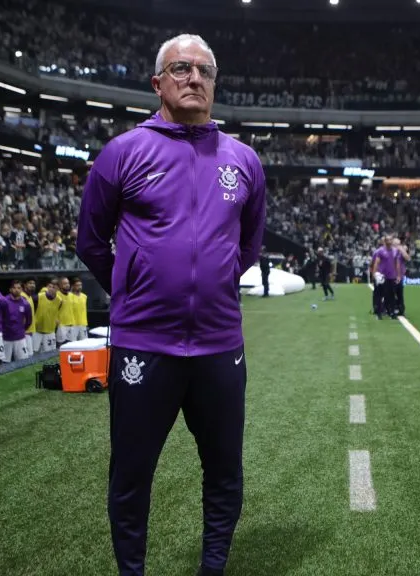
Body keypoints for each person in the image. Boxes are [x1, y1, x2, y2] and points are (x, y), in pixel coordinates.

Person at [76, 33, 266, 576]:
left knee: (225, 470)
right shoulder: (123, 152)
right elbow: (91, 241)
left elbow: (249, 246)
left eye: (205, 70)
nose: (194, 78)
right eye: (181, 68)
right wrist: (133, 291)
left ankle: (213, 568)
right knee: (131, 474)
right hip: (143, 346)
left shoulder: (245, 161)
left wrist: (215, 284)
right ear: (158, 82)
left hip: (219, 346)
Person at [0, 280, 33, 363]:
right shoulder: (4, 302)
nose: (16, 290)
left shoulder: (25, 304)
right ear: (10, 289)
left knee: (22, 362)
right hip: (6, 338)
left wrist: (21, 329)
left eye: (19, 288)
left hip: (20, 338)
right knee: (4, 363)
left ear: (21, 290)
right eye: (14, 288)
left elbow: (29, 320)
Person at [370, 236, 399, 320]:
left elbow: (396, 263)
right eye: (387, 240)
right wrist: (374, 274)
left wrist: (398, 275)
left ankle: (392, 312)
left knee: (392, 295)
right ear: (385, 241)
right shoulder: (380, 251)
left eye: (390, 240)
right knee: (380, 295)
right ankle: (379, 313)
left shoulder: (395, 251)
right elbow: (376, 263)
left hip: (392, 276)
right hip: (382, 277)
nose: (389, 241)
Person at [34, 277, 62, 353]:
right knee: (33, 353)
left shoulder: (59, 301)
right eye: (51, 287)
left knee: (49, 354)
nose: (52, 289)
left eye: (55, 288)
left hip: (50, 332)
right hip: (37, 331)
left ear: (58, 289)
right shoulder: (38, 297)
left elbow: (56, 313)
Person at [392, 237, 411, 316]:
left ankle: (401, 309)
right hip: (391, 275)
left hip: (400, 275)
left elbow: (408, 258)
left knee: (400, 293)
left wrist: (403, 250)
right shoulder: (391, 252)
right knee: (391, 293)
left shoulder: (401, 252)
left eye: (399, 244)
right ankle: (392, 308)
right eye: (396, 244)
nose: (398, 246)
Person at [55, 277, 75, 347]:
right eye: (65, 283)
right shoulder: (57, 295)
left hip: (71, 325)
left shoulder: (72, 295)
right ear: (60, 285)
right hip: (61, 325)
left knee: (72, 346)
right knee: (60, 347)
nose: (67, 285)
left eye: (68, 283)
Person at [22, 278, 38, 356]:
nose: (32, 285)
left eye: (33, 283)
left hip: (31, 331)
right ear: (25, 285)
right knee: (27, 357)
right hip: (25, 332)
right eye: (30, 283)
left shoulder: (30, 296)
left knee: (30, 355)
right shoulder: (22, 296)